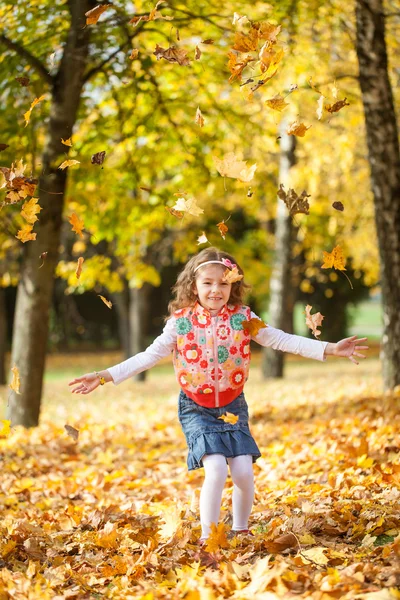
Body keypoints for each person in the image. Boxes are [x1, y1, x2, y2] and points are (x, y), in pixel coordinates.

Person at [69, 247, 368, 544]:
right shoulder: (180, 322)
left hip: (233, 404)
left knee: (242, 472)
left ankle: (240, 528)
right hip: (195, 407)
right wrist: (103, 376)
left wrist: (329, 348)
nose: (216, 290)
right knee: (214, 469)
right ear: (193, 285)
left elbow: (280, 339)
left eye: (224, 283)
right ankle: (208, 537)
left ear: (233, 285)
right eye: (208, 283)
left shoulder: (243, 318)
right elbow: (148, 356)